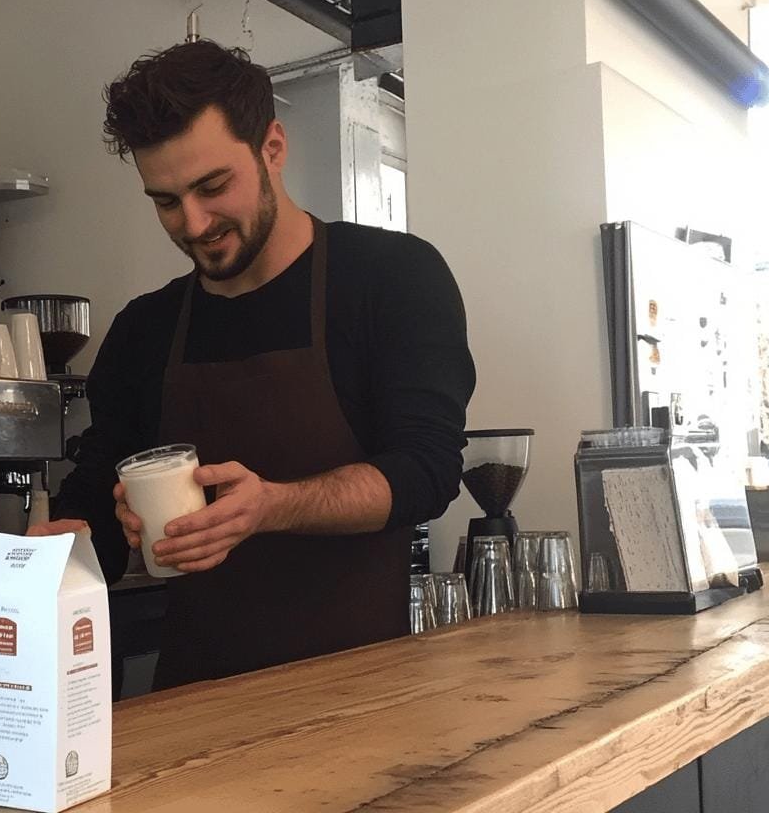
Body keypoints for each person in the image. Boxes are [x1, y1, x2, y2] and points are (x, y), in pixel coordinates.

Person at [27, 40, 477, 690]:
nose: (193, 222)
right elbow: (97, 497)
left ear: (273, 147)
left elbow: (426, 471)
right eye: (165, 200)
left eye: (213, 187)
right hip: (194, 707)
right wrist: (72, 543)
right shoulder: (145, 330)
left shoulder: (392, 280)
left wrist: (271, 506)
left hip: (364, 702)